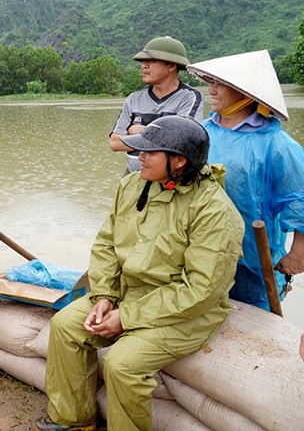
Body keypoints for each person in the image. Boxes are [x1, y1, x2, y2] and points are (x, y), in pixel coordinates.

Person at [38, 116, 244, 431]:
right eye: (140, 151)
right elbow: (106, 243)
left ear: (178, 161)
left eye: (149, 152)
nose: (139, 157)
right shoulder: (132, 185)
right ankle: (74, 420)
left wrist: (127, 317)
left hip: (186, 312)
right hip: (128, 291)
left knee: (121, 363)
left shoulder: (213, 211)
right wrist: (105, 295)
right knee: (66, 325)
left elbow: (199, 291)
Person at [187, 50, 304, 311]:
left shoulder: (276, 143)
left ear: (245, 92)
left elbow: (301, 198)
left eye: (220, 84)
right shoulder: (201, 132)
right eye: (210, 83)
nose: (211, 90)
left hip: (252, 255)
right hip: (200, 248)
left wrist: (298, 253)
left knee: (256, 320)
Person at [109, 36, 204, 173]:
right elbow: (115, 143)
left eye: (151, 61)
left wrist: (138, 130)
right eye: (143, 61)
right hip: (134, 176)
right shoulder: (134, 99)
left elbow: (181, 143)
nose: (144, 66)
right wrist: (160, 134)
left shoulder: (189, 97)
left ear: (171, 65)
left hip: (170, 178)